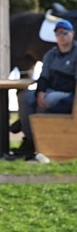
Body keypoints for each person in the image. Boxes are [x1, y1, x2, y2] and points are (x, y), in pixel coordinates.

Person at [17, 18, 76, 159]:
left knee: (48, 101)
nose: (61, 36)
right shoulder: (51, 54)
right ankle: (29, 139)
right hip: (50, 90)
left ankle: (43, 143)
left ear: (72, 33)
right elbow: (44, 77)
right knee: (25, 97)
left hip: (69, 94)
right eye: (58, 33)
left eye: (65, 33)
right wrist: (40, 92)